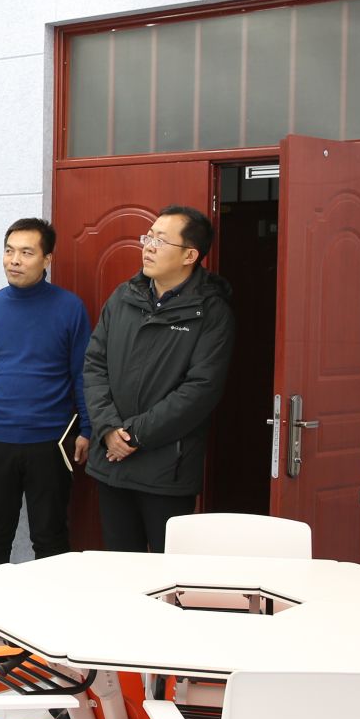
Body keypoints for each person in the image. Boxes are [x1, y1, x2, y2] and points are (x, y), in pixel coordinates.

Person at [82, 205, 235, 553]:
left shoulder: (211, 312)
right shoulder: (123, 296)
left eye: (161, 241)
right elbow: (94, 364)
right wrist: (108, 428)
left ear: (190, 255)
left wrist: (134, 435)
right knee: (121, 567)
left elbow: (201, 390)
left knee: (169, 571)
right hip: (111, 461)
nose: (148, 247)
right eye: (148, 237)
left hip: (166, 469)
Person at [0, 218, 92, 569]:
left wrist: (88, 429)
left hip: (51, 442)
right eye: (9, 251)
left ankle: (50, 605)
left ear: (47, 258)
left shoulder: (70, 308)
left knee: (50, 537)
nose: (14, 260)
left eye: (26, 252)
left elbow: (83, 375)